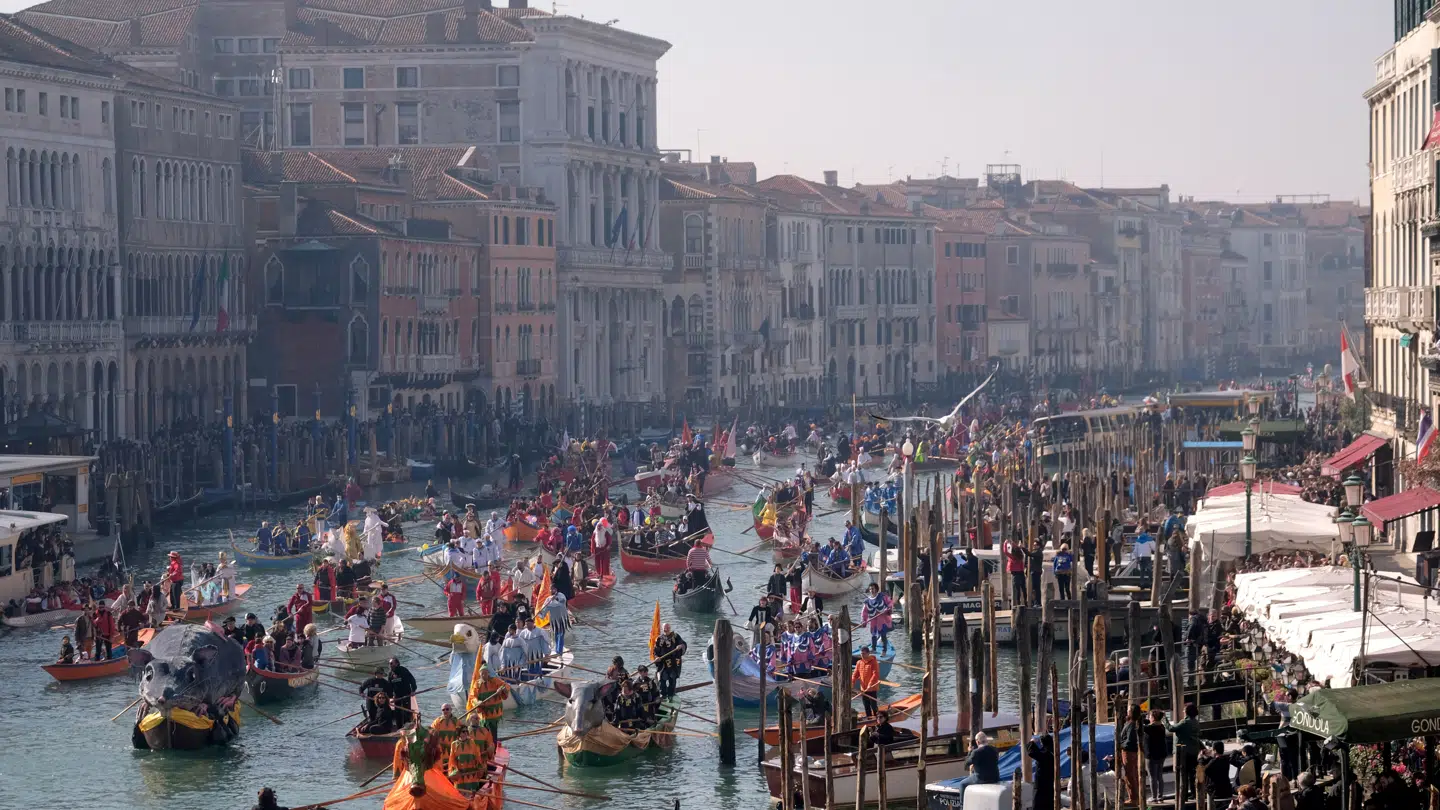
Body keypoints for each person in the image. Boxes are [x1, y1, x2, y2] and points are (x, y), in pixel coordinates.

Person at [952, 732, 1001, 809]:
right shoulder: (994, 749)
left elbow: (966, 765)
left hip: (981, 778)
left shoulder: (976, 752)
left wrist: (969, 752)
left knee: (962, 784)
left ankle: (962, 807)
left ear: (977, 742)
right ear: (986, 740)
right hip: (995, 777)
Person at [1167, 702, 1202, 803]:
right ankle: (1194, 794)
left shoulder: (1185, 722)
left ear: (1187, 712)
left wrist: (1164, 720)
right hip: (1193, 751)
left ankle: (1184, 795)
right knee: (1192, 774)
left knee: (1183, 774)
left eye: (1184, 710)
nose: (1182, 711)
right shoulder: (1195, 722)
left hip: (1184, 752)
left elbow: (1171, 728)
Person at [467, 664, 509, 736]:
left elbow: (506, 686)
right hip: (483, 713)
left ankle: (493, 744)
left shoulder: (495, 680)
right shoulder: (477, 684)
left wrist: (502, 689)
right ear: (480, 675)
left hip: (494, 714)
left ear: (488, 673)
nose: (484, 675)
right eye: (482, 674)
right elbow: (472, 697)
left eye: (485, 673)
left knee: (493, 733)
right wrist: (477, 702)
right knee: (484, 731)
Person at [447, 723, 490, 794]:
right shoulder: (454, 744)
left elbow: (478, 757)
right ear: (459, 733)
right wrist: (455, 772)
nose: (465, 733)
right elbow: (452, 760)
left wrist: (480, 769)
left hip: (472, 776)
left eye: (467, 731)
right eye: (463, 731)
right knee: (459, 793)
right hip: (460, 776)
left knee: (471, 793)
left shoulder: (472, 743)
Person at [651, 623, 687, 698]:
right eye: (665, 628)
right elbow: (655, 651)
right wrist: (657, 657)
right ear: (662, 628)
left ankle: (671, 695)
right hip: (663, 663)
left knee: (672, 679)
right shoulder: (659, 638)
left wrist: (681, 646)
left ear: (670, 628)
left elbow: (683, 644)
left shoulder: (676, 636)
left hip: (673, 662)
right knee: (662, 680)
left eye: (667, 627)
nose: (666, 629)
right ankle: (663, 695)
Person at [1118, 703, 1143, 806]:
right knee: (1132, 774)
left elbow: (1129, 741)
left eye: (1128, 710)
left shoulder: (1132, 725)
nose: (1127, 711)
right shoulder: (1130, 723)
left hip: (1128, 752)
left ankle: (1133, 798)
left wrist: (1121, 745)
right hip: (1129, 751)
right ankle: (1135, 796)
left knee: (1129, 775)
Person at [1143, 709, 1170, 802]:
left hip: (1151, 755)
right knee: (1159, 775)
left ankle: (1154, 797)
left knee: (1152, 776)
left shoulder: (1150, 728)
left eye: (1149, 716)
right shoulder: (1161, 726)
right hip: (1161, 754)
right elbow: (1147, 724)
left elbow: (1140, 726)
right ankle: (1160, 795)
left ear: (1153, 718)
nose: (1148, 718)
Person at [861, 583, 893, 652]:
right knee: (873, 634)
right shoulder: (867, 601)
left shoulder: (882, 596)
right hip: (873, 620)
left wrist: (888, 608)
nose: (871, 590)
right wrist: (864, 620)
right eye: (870, 589)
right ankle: (873, 648)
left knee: (883, 634)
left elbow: (890, 603)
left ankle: (884, 650)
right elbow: (865, 612)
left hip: (882, 619)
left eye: (873, 588)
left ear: (876, 589)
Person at [852, 646, 881, 718]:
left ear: (868, 653)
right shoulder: (859, 662)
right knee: (866, 706)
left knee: (873, 706)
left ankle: (877, 719)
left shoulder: (874, 662)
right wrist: (852, 683)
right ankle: (869, 721)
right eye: (861, 654)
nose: (862, 655)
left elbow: (875, 675)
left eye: (864, 654)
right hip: (863, 689)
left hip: (872, 688)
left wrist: (870, 684)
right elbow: (855, 675)